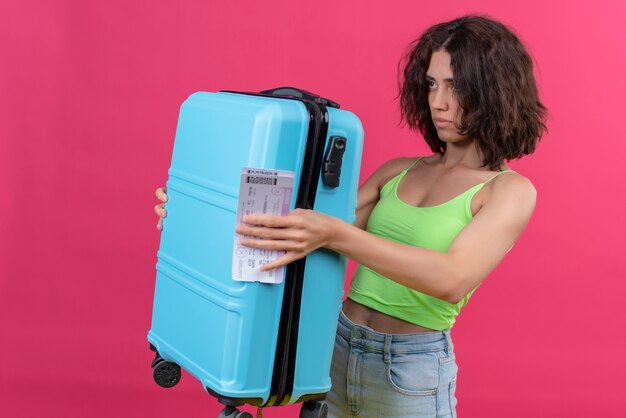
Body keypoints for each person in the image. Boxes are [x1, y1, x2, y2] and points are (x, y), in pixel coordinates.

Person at [154, 15, 546, 418]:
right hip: (335, 347)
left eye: (455, 86)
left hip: (410, 372)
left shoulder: (508, 191)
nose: (438, 102)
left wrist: (333, 234)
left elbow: (451, 279)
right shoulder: (399, 171)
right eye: (431, 83)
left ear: (493, 90)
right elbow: (299, 234)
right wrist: (196, 214)